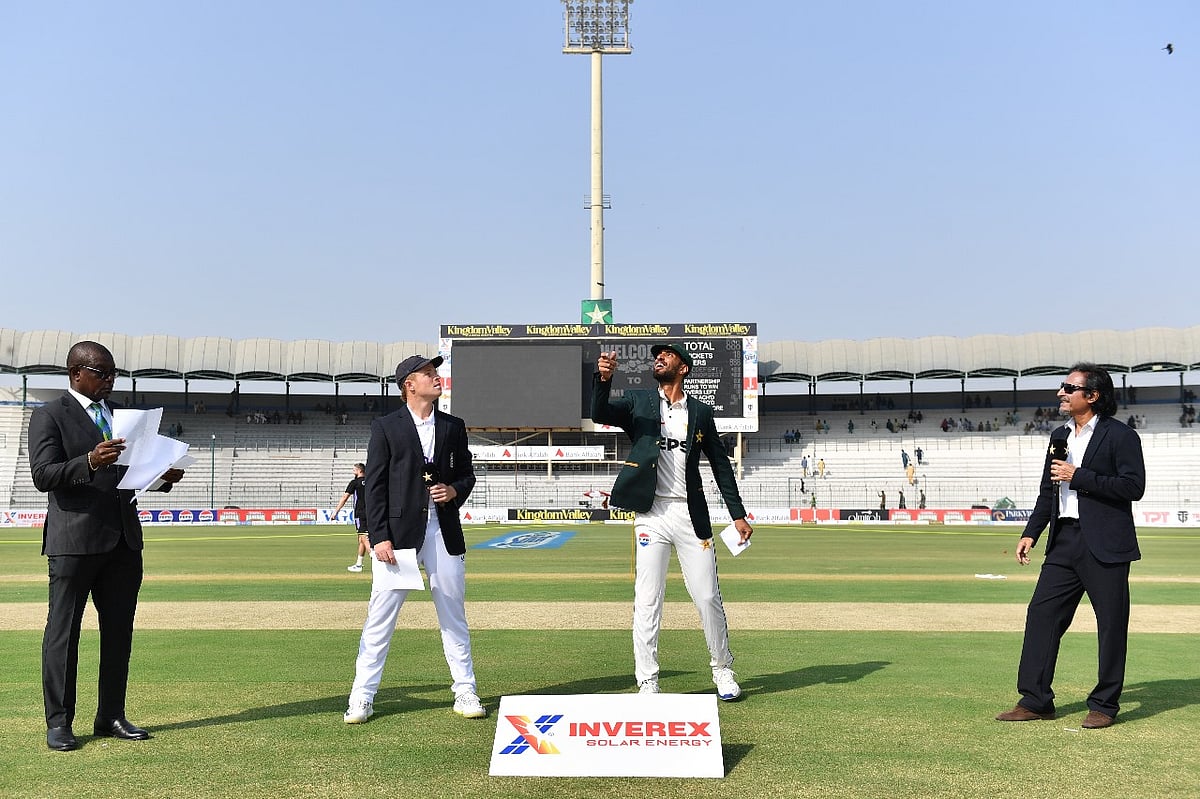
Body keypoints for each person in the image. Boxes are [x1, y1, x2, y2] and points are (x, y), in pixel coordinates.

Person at [28, 341, 184, 752]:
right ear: (76, 373)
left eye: (114, 373)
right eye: (102, 373)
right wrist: (90, 461)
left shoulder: (122, 416)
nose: (111, 380)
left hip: (123, 541)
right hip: (74, 541)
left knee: (118, 633)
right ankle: (59, 722)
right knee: (63, 633)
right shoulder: (49, 415)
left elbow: (132, 473)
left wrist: (162, 476)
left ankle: (111, 715)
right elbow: (43, 475)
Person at [592, 344, 753, 701]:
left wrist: (737, 514)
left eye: (668, 355)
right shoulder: (639, 402)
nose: (659, 358)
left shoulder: (701, 412)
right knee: (648, 598)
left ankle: (722, 669)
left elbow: (721, 464)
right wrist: (603, 380)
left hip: (690, 514)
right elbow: (600, 412)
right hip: (651, 514)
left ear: (683, 368)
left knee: (707, 596)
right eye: (657, 355)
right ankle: (647, 679)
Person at [995, 363, 1145, 730]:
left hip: (1106, 544)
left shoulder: (1121, 436)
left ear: (1092, 395)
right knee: (1042, 616)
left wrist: (1079, 477)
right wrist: (1031, 532)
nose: (1060, 392)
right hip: (1063, 541)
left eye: (1068, 387)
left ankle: (1104, 705)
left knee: (1111, 625)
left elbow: (1133, 487)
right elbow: (1048, 490)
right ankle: (1035, 700)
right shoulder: (1059, 435)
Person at [343, 355, 485, 724]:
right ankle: (361, 697)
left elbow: (467, 474)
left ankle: (465, 690)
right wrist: (380, 537)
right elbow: (375, 486)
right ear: (409, 384)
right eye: (429, 374)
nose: (437, 378)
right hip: (398, 538)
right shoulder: (386, 427)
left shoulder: (453, 426)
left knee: (453, 615)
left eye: (436, 372)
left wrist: (454, 490)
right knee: (380, 619)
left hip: (443, 532)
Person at [332, 463, 369, 572]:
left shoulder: (355, 483)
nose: (353, 471)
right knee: (361, 539)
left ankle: (374, 557)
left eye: (354, 470)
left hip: (360, 513)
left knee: (363, 536)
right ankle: (359, 564)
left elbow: (345, 497)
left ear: (359, 471)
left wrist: (336, 511)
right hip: (371, 513)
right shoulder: (370, 481)